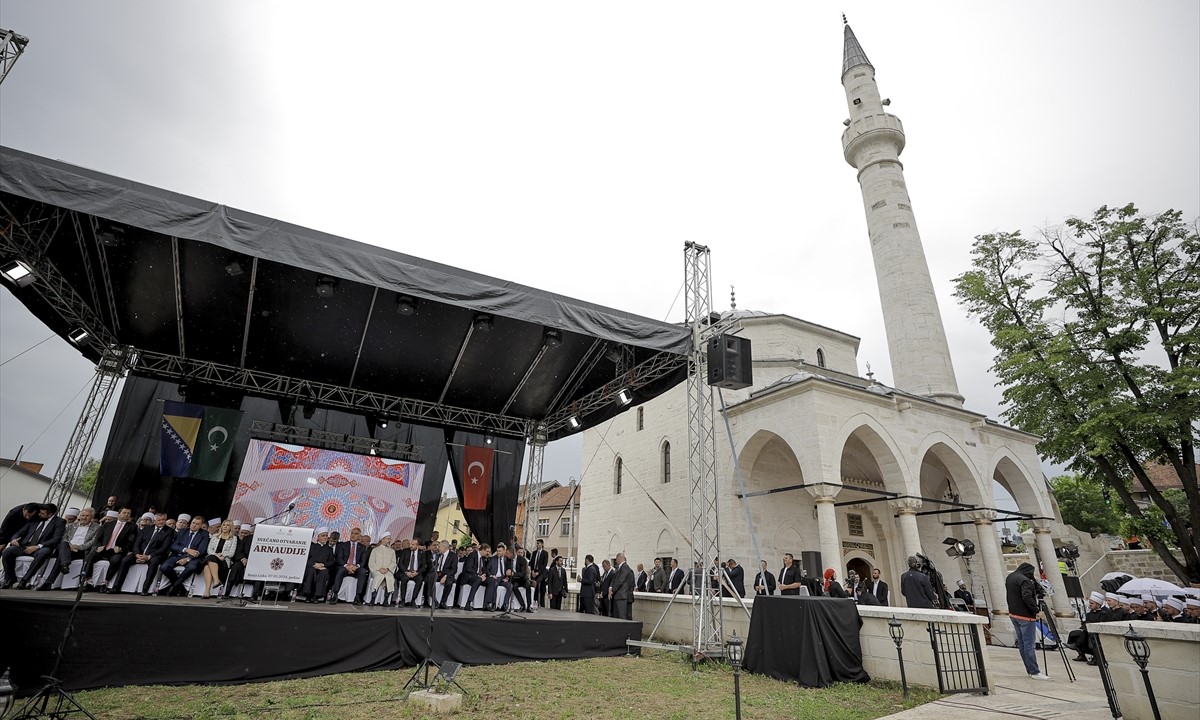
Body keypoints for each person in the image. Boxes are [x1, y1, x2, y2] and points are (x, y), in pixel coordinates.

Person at [2, 503, 66, 589]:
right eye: (39, 512)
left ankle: (24, 580)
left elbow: (56, 539)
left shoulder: (59, 522)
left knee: (45, 552)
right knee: (7, 551)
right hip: (25, 545)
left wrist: (38, 546)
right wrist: (14, 539)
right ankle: (10, 579)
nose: (39, 514)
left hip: (40, 547)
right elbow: (20, 532)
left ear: (50, 514)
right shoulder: (35, 519)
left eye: (42, 513)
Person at [1006, 561, 1051, 680]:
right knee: (1029, 645)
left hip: (1014, 614)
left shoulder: (1011, 577)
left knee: (1022, 644)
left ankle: (1030, 670)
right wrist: (1037, 611)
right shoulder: (1024, 581)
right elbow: (1026, 597)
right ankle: (1035, 671)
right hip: (1025, 616)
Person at [110, 512, 173, 595]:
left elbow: (164, 548)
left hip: (155, 555)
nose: (161, 522)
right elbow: (137, 543)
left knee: (154, 562)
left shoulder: (169, 531)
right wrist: (136, 554)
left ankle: (145, 589)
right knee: (125, 560)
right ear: (154, 521)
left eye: (163, 520)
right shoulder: (147, 529)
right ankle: (116, 587)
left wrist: (149, 557)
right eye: (159, 520)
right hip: (139, 553)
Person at [39, 507, 100, 590]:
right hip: (68, 549)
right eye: (82, 515)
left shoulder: (97, 528)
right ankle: (64, 565)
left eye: (87, 516)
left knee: (61, 557)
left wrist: (79, 547)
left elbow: (93, 542)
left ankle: (50, 580)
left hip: (82, 551)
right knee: (63, 543)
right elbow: (64, 538)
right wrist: (70, 546)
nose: (84, 517)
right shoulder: (72, 526)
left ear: (92, 517)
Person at [159, 515, 210, 596]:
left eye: (197, 524)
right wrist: (186, 549)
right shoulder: (183, 531)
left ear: (201, 526)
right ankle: (179, 586)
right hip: (178, 555)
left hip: (193, 558)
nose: (194, 525)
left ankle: (174, 587)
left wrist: (187, 559)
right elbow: (173, 546)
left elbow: (201, 550)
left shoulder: (204, 534)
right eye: (193, 523)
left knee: (192, 567)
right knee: (164, 567)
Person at [199, 520, 238, 598]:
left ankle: (208, 590)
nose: (225, 527)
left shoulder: (234, 538)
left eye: (227, 525)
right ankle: (212, 585)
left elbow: (231, 553)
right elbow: (209, 550)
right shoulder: (215, 536)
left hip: (224, 561)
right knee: (208, 563)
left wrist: (222, 555)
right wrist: (216, 555)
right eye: (224, 525)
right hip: (213, 558)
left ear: (231, 527)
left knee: (208, 561)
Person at [331, 527, 370, 605]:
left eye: (356, 534)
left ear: (359, 536)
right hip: (345, 567)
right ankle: (335, 595)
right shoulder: (343, 545)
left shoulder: (362, 547)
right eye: (352, 533)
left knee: (362, 571)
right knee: (341, 570)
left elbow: (363, 561)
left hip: (356, 568)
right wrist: (347, 566)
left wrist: (356, 566)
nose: (353, 535)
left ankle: (358, 597)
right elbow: (339, 558)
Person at [222, 524, 256, 599]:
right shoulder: (246, 539)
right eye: (242, 532)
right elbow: (239, 551)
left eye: (246, 533)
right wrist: (243, 559)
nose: (243, 535)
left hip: (255, 561)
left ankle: (255, 595)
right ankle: (227, 592)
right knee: (236, 567)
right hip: (242, 560)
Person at [367, 532, 397, 605]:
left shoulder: (392, 551)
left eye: (390, 539)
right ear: (382, 539)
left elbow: (394, 563)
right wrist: (379, 569)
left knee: (390, 578)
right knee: (378, 576)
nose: (389, 540)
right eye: (388, 539)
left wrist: (388, 569)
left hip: (388, 570)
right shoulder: (375, 550)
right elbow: (371, 562)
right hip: (377, 570)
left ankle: (386, 600)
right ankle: (373, 599)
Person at [431, 540, 458, 609]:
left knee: (449, 583)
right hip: (437, 573)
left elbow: (454, 569)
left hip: (447, 574)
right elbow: (434, 565)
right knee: (428, 578)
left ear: (444, 547)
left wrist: (445, 576)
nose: (438, 548)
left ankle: (443, 601)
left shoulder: (453, 556)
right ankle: (435, 600)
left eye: (439, 546)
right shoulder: (438, 554)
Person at [611, 552, 635, 620]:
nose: (616, 561)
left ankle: (624, 630)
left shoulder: (624, 567)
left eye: (616, 559)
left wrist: (613, 590)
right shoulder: (620, 568)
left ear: (619, 558)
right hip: (620, 595)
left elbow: (620, 581)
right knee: (618, 615)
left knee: (622, 615)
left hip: (622, 595)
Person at [507, 544, 531, 612]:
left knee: (528, 585)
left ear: (512, 554)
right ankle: (522, 605)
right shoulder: (508, 560)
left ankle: (529, 606)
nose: (507, 555)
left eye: (508, 554)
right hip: (515, 580)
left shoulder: (522, 560)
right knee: (514, 587)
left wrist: (513, 573)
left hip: (523, 579)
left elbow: (523, 573)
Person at [530, 539, 549, 607]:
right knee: (533, 586)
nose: (537, 545)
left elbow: (544, 564)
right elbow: (532, 562)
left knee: (539, 586)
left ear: (542, 544)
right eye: (537, 543)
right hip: (534, 571)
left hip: (541, 573)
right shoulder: (534, 553)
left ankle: (540, 603)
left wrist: (538, 572)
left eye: (539, 543)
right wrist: (532, 570)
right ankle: (534, 601)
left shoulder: (545, 553)